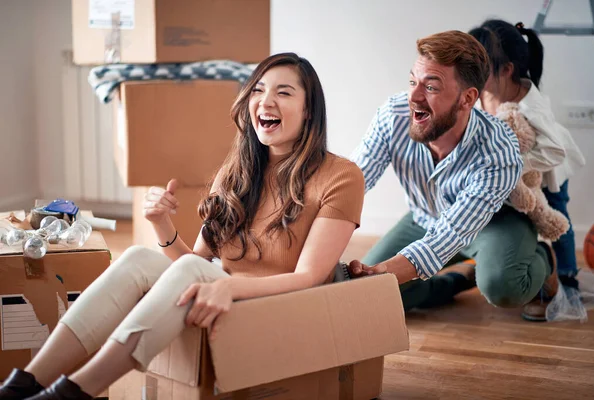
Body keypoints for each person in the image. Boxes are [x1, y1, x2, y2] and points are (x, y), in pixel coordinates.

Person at [0, 53, 365, 399]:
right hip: (225, 297)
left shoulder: (340, 177)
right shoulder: (238, 171)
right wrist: (161, 224)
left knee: (193, 270)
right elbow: (193, 262)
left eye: (283, 92)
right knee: (140, 257)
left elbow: (309, 278)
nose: (265, 100)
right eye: (257, 89)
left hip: (285, 309)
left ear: (309, 111)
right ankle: (24, 383)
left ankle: (74, 391)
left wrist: (230, 288)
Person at [348, 30, 558, 319]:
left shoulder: (498, 149)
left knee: (502, 286)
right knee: (370, 294)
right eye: (412, 82)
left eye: (431, 87)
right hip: (425, 217)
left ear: (467, 98)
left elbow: (453, 232)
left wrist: (386, 270)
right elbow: (351, 182)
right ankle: (458, 280)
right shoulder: (393, 115)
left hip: (494, 222)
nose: (414, 97)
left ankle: (544, 260)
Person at [469, 20, 586, 320]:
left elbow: (555, 151)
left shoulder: (531, 106)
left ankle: (568, 280)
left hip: (549, 171)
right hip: (519, 180)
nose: (475, 75)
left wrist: (512, 164)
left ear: (506, 70)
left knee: (558, 217)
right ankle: (516, 260)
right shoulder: (484, 94)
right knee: (524, 213)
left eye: (482, 67)